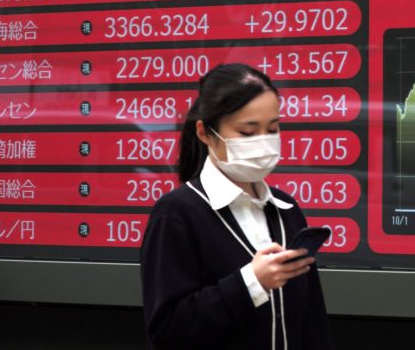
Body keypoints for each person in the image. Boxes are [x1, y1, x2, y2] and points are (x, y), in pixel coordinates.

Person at [141, 63, 333, 350]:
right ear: (205, 133)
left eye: (272, 129)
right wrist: (252, 283)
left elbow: (312, 322)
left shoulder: (286, 209)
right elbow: (169, 331)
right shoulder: (177, 214)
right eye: (247, 132)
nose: (263, 143)